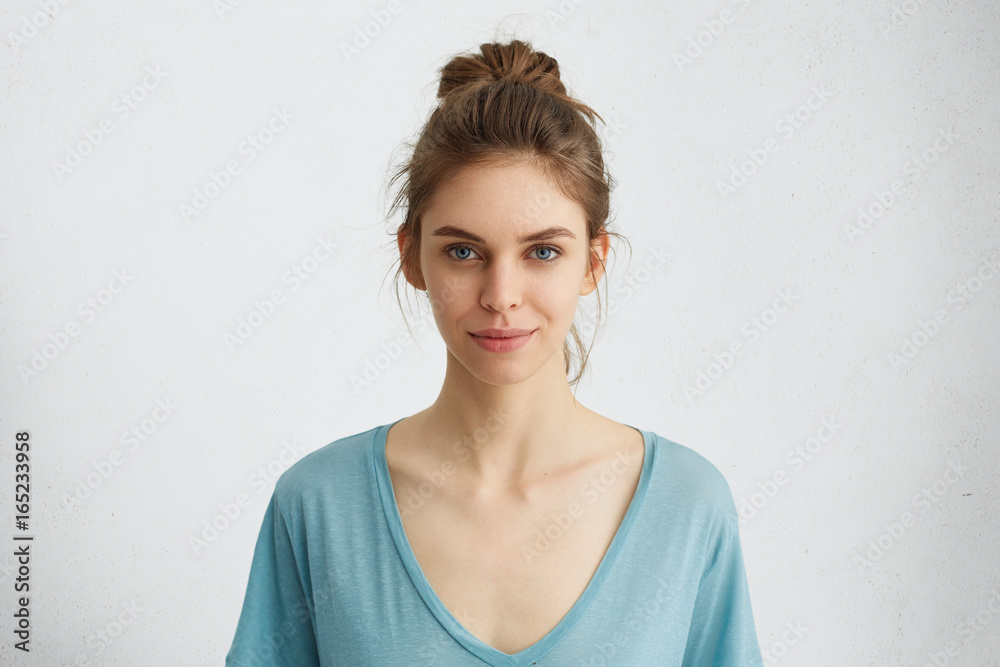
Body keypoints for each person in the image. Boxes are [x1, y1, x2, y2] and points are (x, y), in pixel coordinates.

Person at [226, 38, 765, 666]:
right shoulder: (319, 507)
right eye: (463, 251)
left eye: (542, 251)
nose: (501, 296)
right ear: (412, 258)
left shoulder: (688, 506)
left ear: (593, 262)